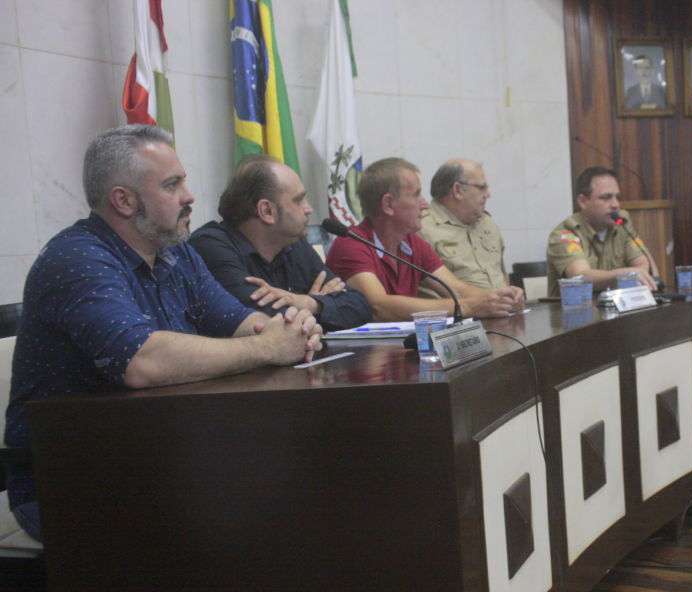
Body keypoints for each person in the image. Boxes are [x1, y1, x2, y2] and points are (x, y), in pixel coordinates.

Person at [2, 125, 323, 541]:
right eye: (173, 185)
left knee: (304, 476)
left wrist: (291, 331)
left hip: (160, 455)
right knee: (269, 507)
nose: (190, 196)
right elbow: (142, 360)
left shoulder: (176, 253)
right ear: (123, 200)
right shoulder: (76, 260)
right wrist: (268, 346)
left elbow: (240, 320)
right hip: (76, 481)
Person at [326, 157, 524, 321]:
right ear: (388, 204)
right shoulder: (351, 245)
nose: (425, 205)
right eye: (416, 195)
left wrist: (499, 298)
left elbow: (455, 288)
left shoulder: (412, 242)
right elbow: (380, 306)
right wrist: (469, 307)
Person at [190, 155, 372, 331]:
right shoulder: (211, 246)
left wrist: (309, 302)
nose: (309, 209)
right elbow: (262, 322)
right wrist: (322, 306)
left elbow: (360, 307)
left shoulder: (293, 243)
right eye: (299, 200)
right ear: (267, 211)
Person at [546, 166, 657, 296]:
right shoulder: (564, 234)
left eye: (617, 197)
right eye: (606, 197)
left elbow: (642, 264)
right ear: (583, 201)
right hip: (575, 311)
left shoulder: (621, 224)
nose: (615, 204)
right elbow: (580, 276)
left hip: (617, 309)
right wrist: (623, 274)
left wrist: (639, 273)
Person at [418, 159, 508, 292]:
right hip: (457, 311)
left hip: (503, 310)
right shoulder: (422, 228)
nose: (488, 194)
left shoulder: (487, 223)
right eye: (482, 187)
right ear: (458, 190)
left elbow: (502, 276)